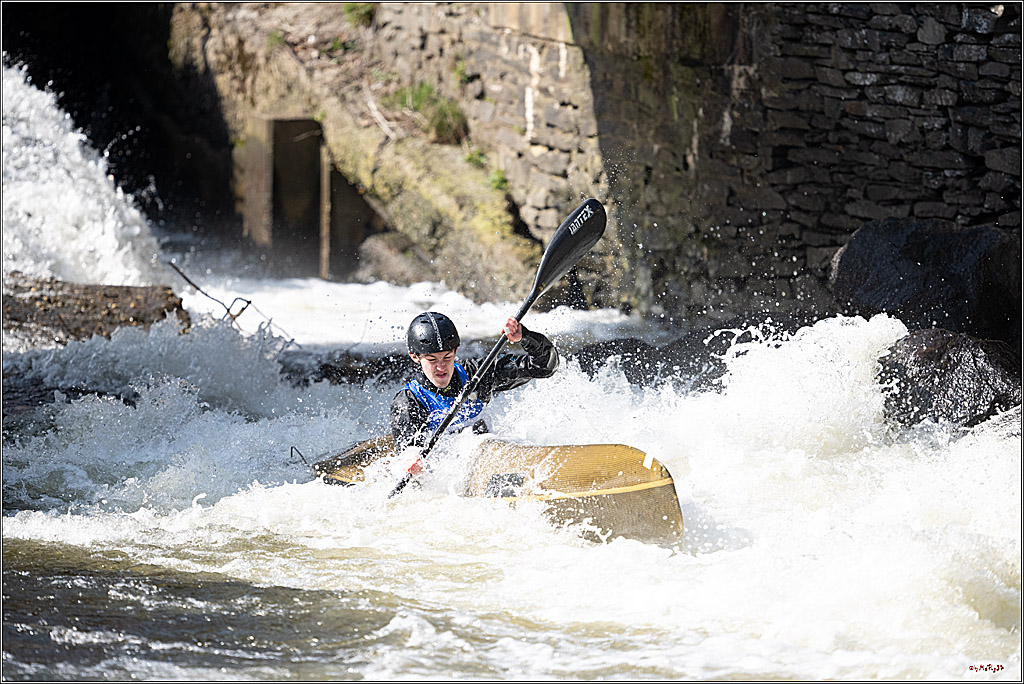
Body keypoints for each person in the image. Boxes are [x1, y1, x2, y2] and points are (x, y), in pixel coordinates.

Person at [390, 311, 559, 472]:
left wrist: (525, 337)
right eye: (432, 360)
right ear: (415, 356)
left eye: (447, 357)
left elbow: (544, 367)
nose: (441, 367)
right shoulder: (408, 401)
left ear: (456, 351)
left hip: (489, 464)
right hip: (450, 485)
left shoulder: (478, 374)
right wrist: (411, 461)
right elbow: (407, 452)